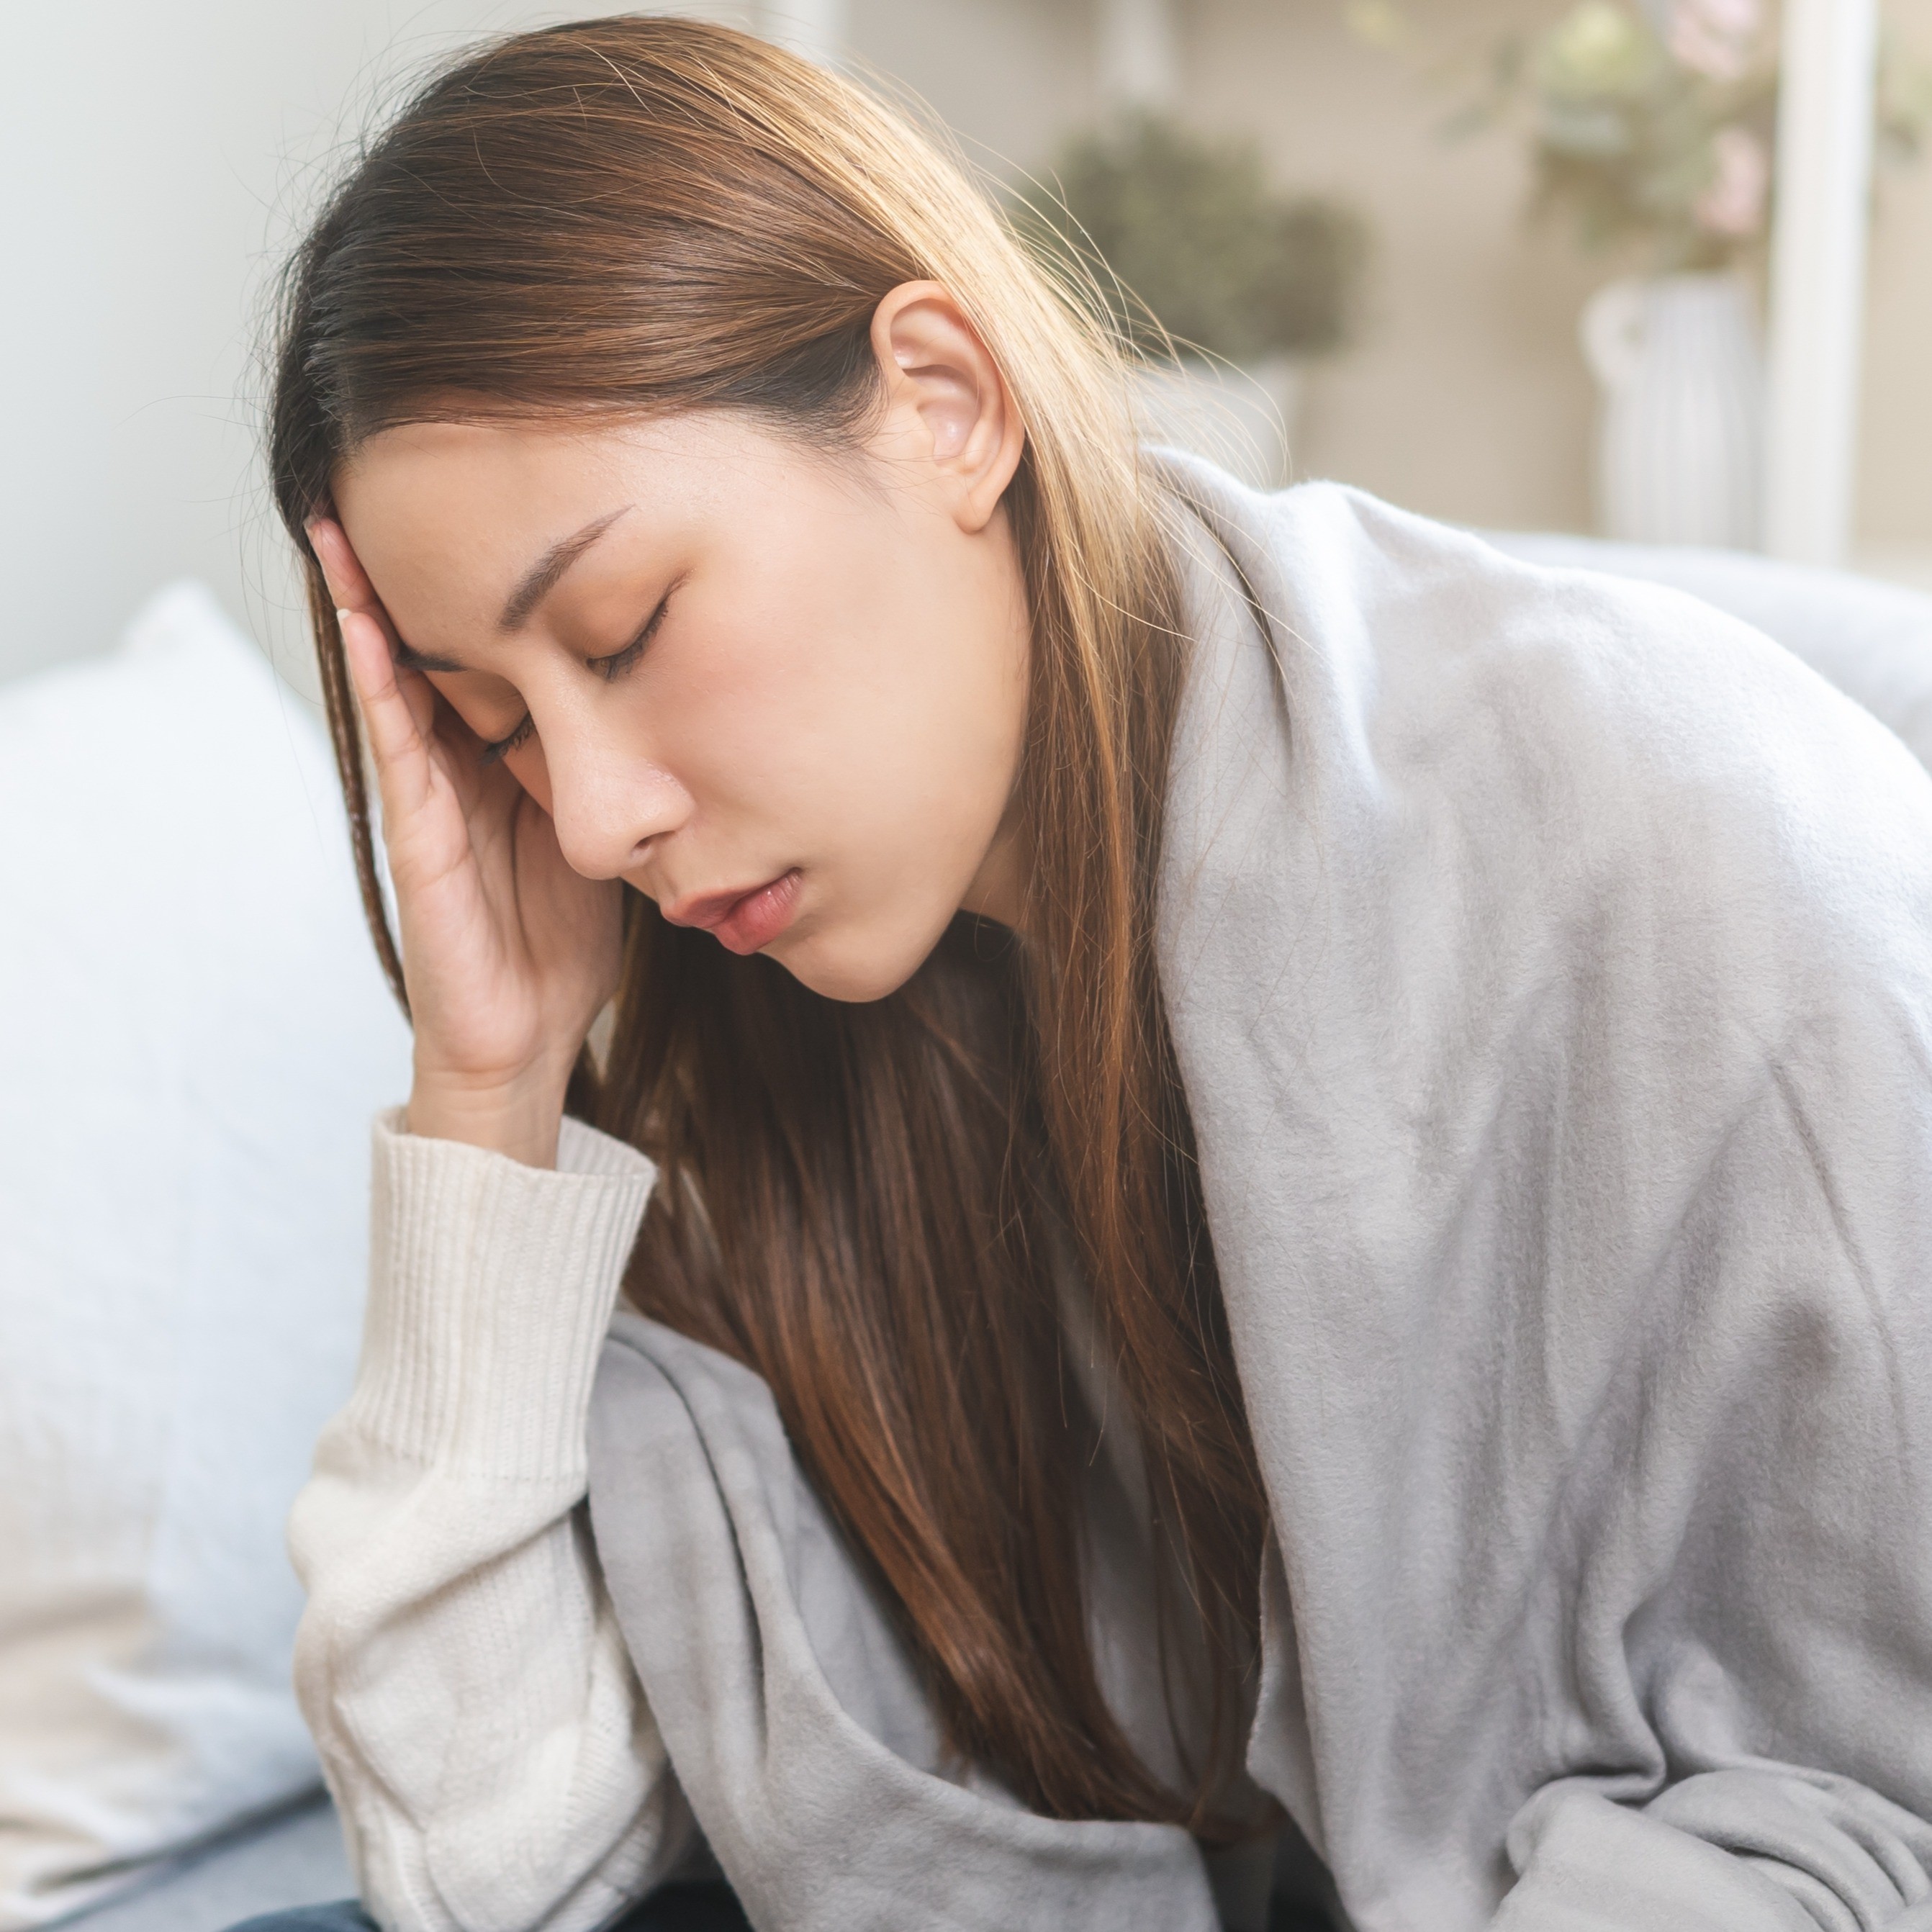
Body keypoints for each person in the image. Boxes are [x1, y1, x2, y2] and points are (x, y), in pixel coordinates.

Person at [239, 17, 1932, 1932]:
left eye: (621, 633)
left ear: (943, 402)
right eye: (496, 728)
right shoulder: (794, 1028)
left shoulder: (1664, 816)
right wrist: (488, 1083)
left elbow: (1864, 1788)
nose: (595, 817)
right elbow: (478, 1868)